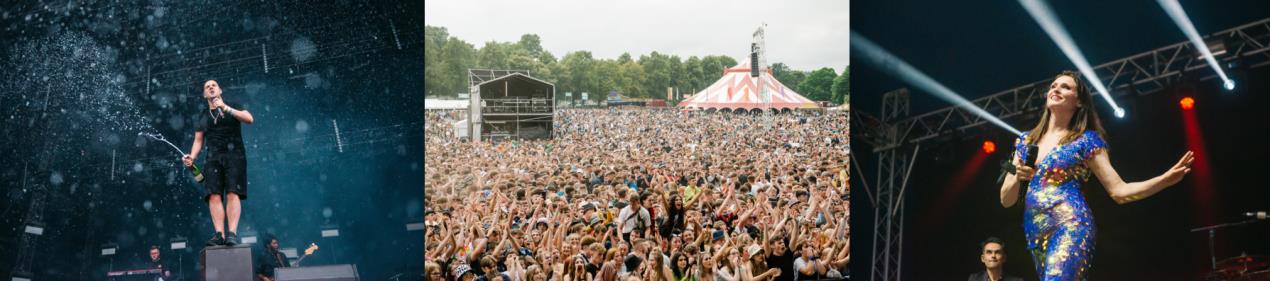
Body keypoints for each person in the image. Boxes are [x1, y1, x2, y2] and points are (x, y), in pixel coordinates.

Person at [999, 70, 1194, 280]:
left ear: (1080, 102)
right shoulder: (1026, 141)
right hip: (1035, 233)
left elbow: (1119, 191)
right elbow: (1006, 200)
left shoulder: (1086, 140)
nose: (1056, 89)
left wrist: (1163, 180)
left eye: (1065, 87)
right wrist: (1018, 177)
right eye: (1053, 85)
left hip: (1070, 225)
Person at [184, 79, 255, 246]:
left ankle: (232, 233)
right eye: (207, 87)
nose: (210, 87)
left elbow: (249, 119)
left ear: (220, 90)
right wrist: (192, 157)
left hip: (234, 155)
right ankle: (219, 235)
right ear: (204, 94)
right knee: (213, 195)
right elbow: (198, 140)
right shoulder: (202, 115)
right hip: (213, 158)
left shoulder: (232, 104)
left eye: (213, 85)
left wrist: (226, 108)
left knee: (232, 192)